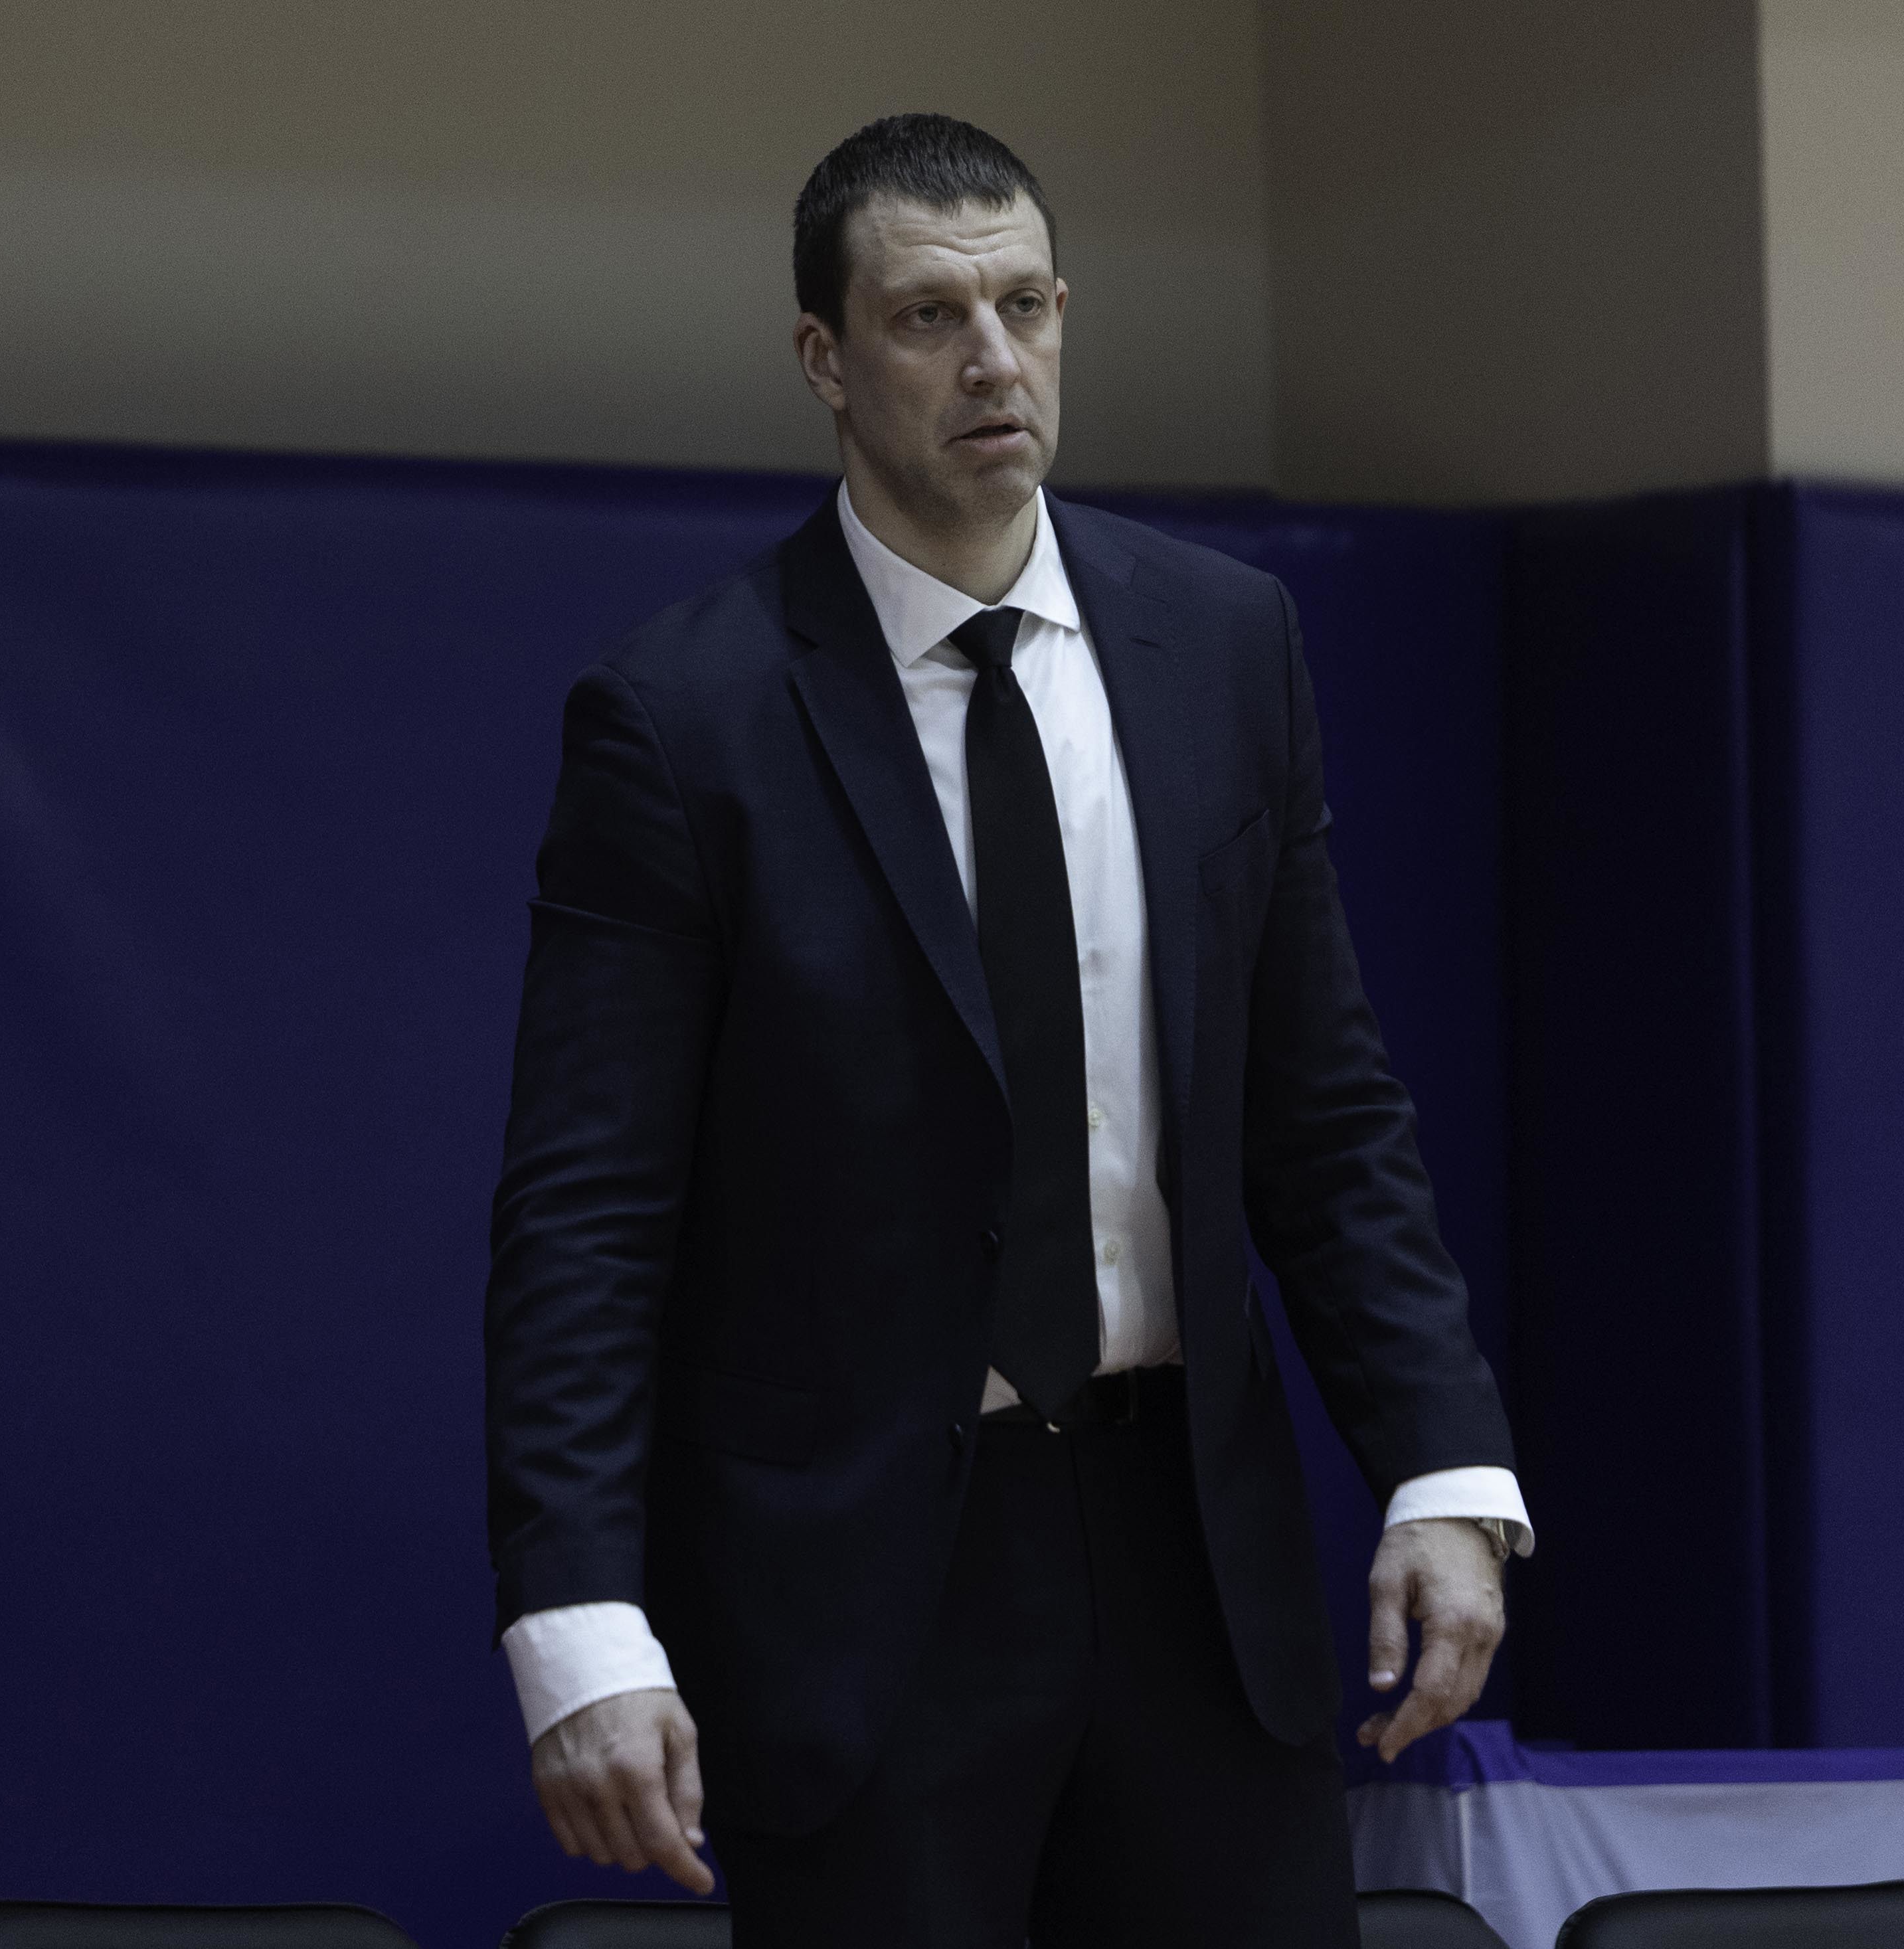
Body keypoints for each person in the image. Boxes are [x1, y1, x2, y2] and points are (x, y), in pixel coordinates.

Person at [480, 114, 1531, 1946]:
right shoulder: (682, 715)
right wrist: (576, 1612)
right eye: (928, 317)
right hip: (865, 1580)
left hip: (1190, 1542)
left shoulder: (1223, 644)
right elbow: (588, 1211)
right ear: (824, 357)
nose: (992, 359)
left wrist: (1441, 1464)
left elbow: (1324, 1110)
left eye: (1025, 306)